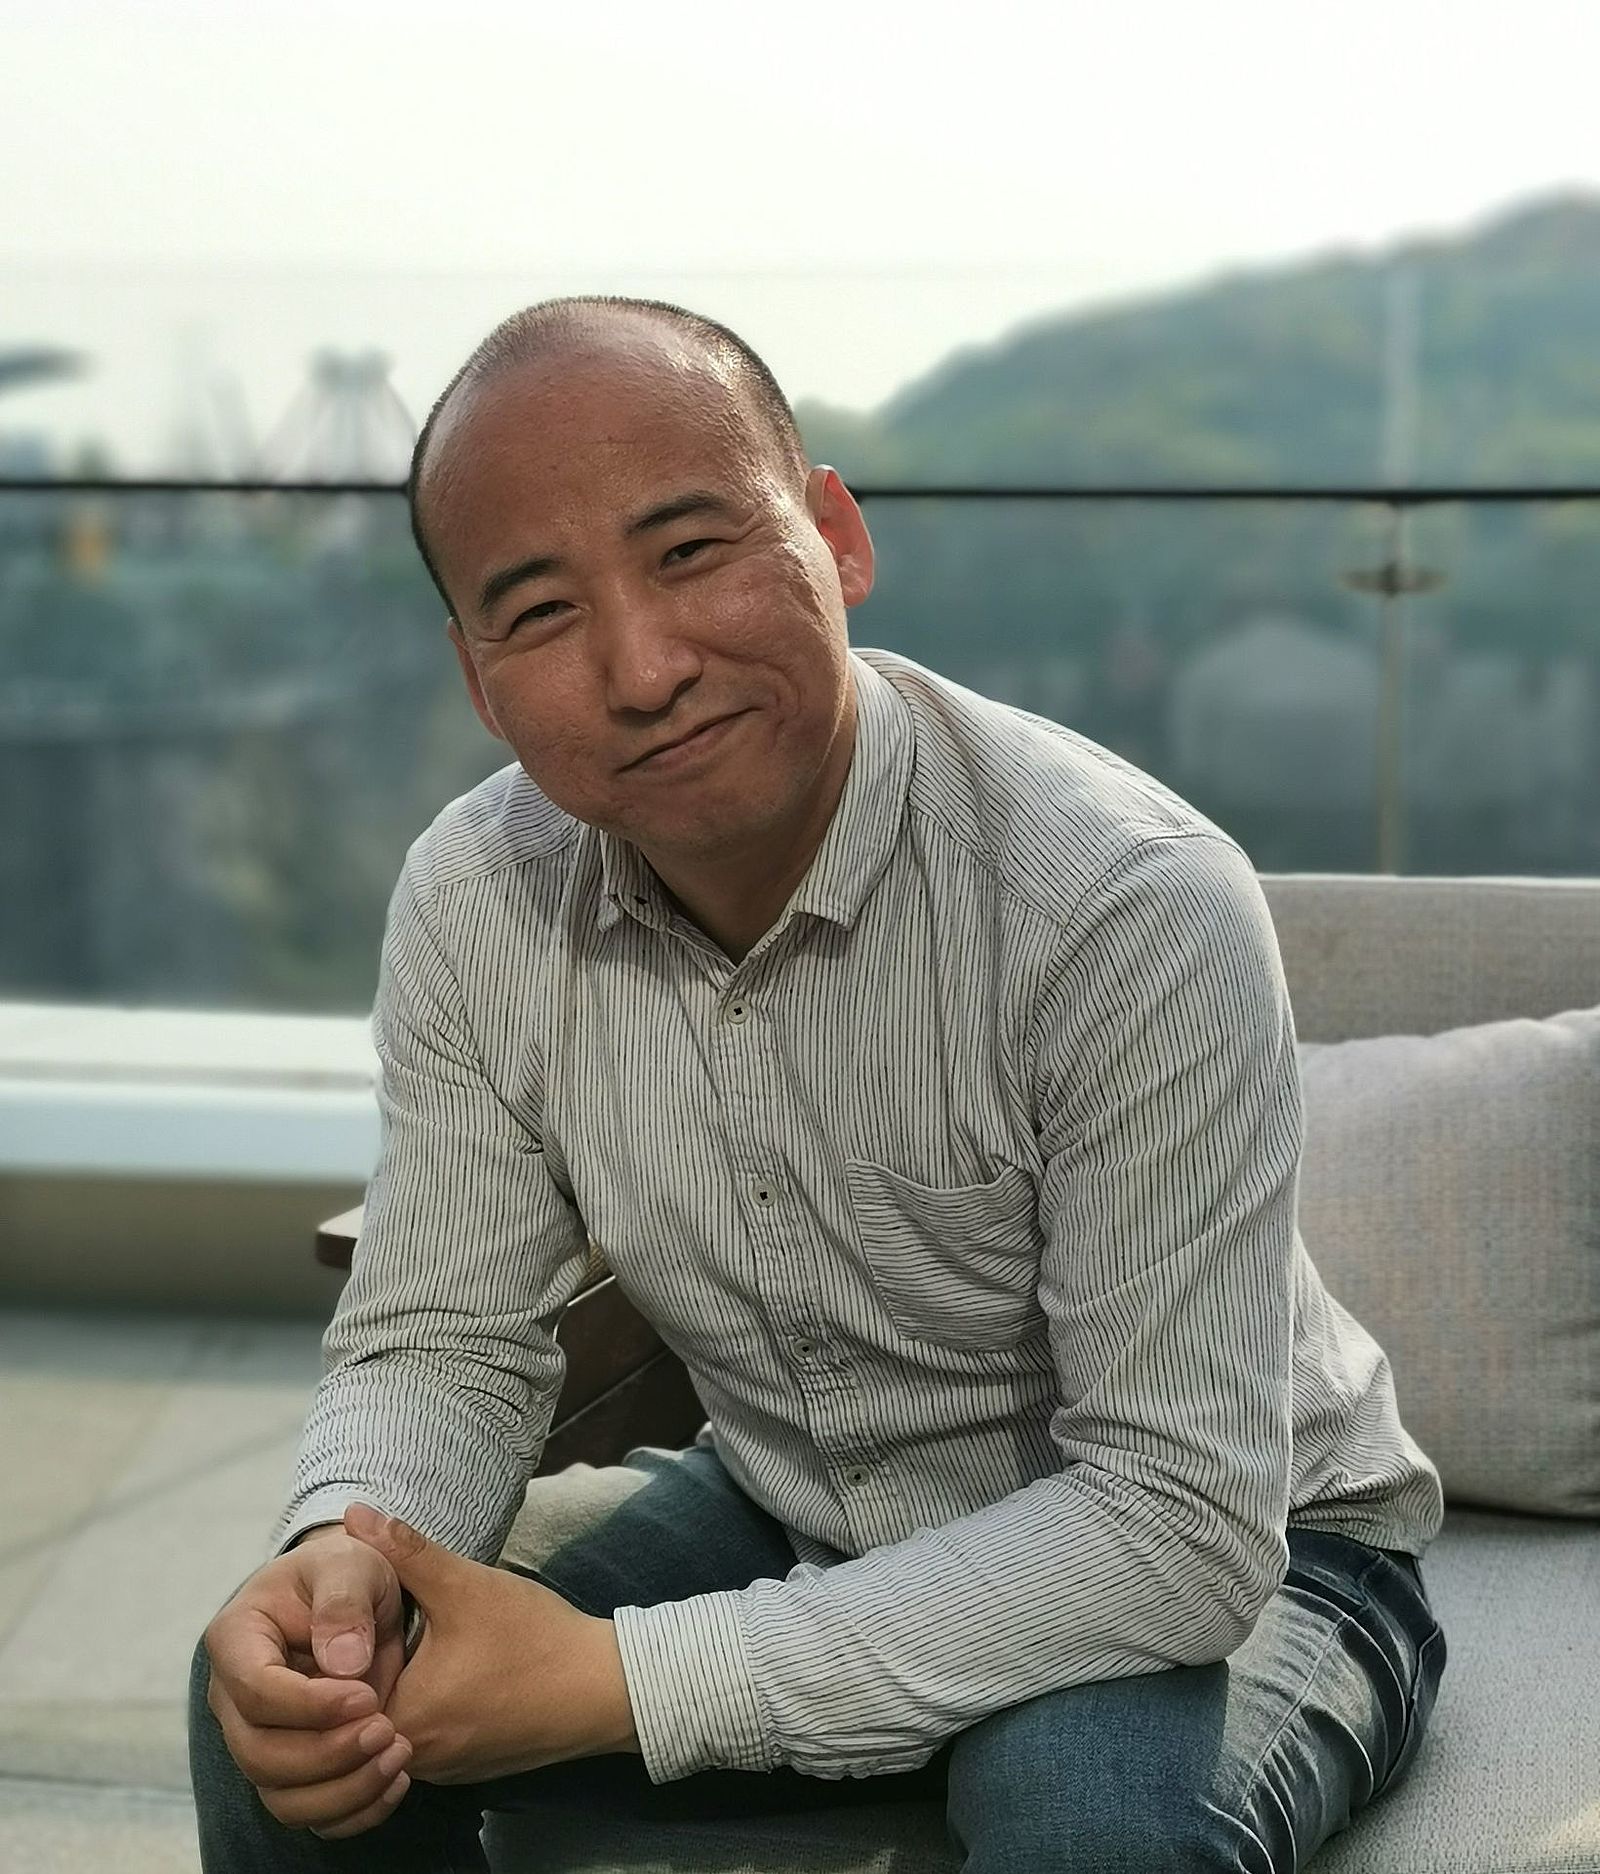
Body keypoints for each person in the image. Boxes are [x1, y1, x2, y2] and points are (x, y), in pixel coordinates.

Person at [188, 296, 1448, 1873]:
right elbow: (442, 1334)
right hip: (807, 1499)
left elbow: (1177, 1526)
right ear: (477, 674)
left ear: (835, 534)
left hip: (1244, 1550)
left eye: (690, 550)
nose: (641, 667)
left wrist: (630, 1681)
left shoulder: (1123, 900)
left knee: (1086, 1833)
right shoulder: (475, 896)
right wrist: (345, 1547)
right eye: (542, 608)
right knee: (303, 1711)